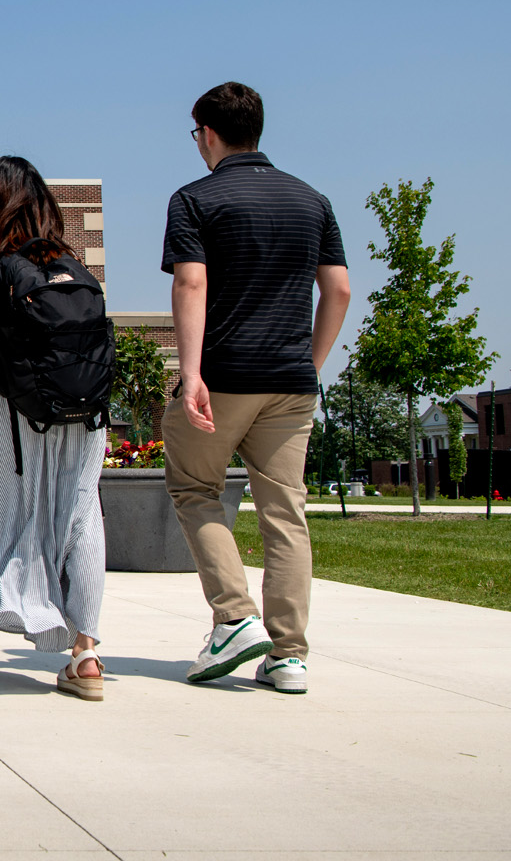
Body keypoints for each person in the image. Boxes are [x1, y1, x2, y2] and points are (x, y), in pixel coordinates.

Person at [162, 82, 352, 694]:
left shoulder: (194, 200)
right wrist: (312, 363)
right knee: (285, 513)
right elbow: (340, 290)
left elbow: (191, 285)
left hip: (225, 376)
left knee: (195, 489)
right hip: (292, 382)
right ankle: (289, 655)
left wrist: (190, 375)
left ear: (209, 133)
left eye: (196, 135)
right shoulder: (312, 200)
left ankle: (235, 618)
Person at [0, 156, 109, 701]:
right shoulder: (69, 261)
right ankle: (85, 654)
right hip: (85, 415)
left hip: (18, 415)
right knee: (81, 517)